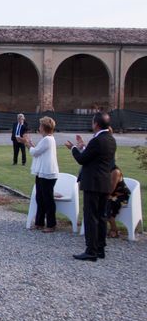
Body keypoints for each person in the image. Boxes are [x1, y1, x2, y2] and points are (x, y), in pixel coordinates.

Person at [65, 112, 116, 262]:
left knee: (91, 217)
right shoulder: (110, 139)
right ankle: (100, 248)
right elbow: (95, 156)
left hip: (93, 183)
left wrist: (74, 148)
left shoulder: (97, 140)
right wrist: (84, 147)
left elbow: (82, 159)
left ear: (96, 124)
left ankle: (91, 250)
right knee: (101, 216)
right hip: (104, 183)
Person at [22, 117, 59, 232]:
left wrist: (27, 144)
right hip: (42, 172)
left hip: (47, 173)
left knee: (47, 199)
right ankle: (39, 222)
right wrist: (30, 143)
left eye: (40, 126)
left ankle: (51, 224)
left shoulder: (48, 139)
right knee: (40, 197)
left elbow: (35, 152)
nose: (39, 128)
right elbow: (38, 150)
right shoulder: (47, 139)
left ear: (44, 128)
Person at [106, 165, 130, 238]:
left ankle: (114, 229)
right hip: (111, 195)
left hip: (121, 196)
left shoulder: (115, 171)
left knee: (106, 204)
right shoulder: (104, 169)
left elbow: (111, 189)